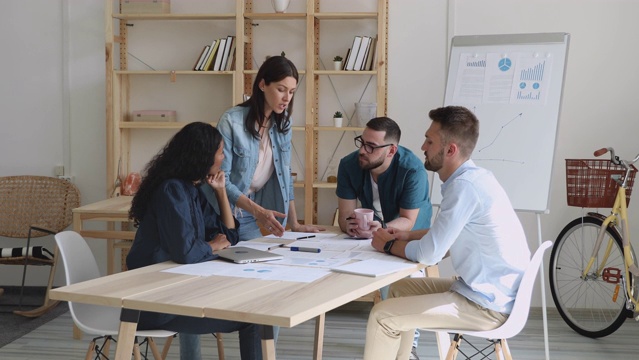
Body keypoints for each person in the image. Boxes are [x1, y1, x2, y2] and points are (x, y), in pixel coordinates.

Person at [363, 106, 531, 359]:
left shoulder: (464, 188)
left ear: (450, 150)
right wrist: (406, 236)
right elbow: (448, 234)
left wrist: (386, 245)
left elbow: (430, 254)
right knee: (399, 288)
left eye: (430, 141)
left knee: (382, 316)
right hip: (488, 292)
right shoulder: (476, 179)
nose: (423, 147)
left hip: (486, 306)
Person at [126, 122, 262, 360]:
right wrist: (211, 245)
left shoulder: (189, 188)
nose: (223, 157)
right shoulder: (172, 190)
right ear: (203, 156)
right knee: (255, 319)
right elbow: (186, 253)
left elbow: (229, 237)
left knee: (253, 311)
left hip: (178, 294)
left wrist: (221, 192)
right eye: (221, 152)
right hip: (157, 305)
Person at [336, 116, 432, 359]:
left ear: (392, 150)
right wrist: (353, 227)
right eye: (361, 142)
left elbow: (408, 220)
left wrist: (382, 229)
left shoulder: (412, 170)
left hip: (411, 235)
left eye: (371, 146)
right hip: (372, 235)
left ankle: (408, 347)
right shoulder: (349, 165)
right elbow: (344, 215)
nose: (362, 150)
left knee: (408, 277)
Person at [214, 55, 324, 239]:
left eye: (291, 92)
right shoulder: (231, 121)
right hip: (220, 211)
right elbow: (222, 179)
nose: (287, 98)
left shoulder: (284, 124)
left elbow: (285, 175)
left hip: (248, 212)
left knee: (262, 260)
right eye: (281, 89)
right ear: (263, 85)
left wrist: (295, 224)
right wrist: (259, 212)